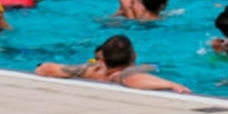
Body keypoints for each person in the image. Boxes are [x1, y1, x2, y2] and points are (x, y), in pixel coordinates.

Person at [35, 33, 190, 91]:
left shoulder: (90, 70)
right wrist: (172, 84)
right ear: (133, 57)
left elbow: (44, 68)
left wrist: (89, 66)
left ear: (102, 58)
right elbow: (132, 79)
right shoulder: (118, 75)